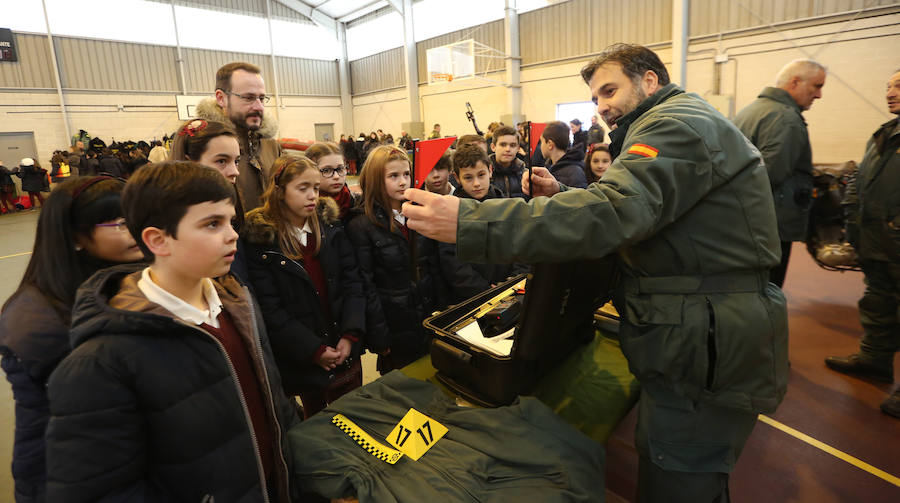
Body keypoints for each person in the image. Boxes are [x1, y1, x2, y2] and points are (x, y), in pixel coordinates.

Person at [402, 43, 788, 503]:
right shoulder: (676, 121)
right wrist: (562, 191)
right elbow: (653, 211)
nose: (602, 106)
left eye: (610, 90)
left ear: (650, 80)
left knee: (680, 477)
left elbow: (612, 213)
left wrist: (469, 221)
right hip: (699, 329)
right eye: (595, 98)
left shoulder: (674, 125)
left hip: (703, 336)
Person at [44, 162, 300, 502]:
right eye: (212, 224)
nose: (232, 234)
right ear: (158, 240)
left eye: (230, 221)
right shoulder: (101, 360)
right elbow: (99, 489)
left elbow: (275, 404)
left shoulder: (238, 303)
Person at [0, 176, 144, 502]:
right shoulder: (39, 320)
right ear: (76, 236)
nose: (137, 232)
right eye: (121, 223)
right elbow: (40, 432)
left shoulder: (129, 278)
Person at [243, 155, 366, 417]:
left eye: (315, 187)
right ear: (280, 190)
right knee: (317, 420)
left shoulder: (331, 228)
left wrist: (350, 334)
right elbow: (271, 309)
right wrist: (315, 350)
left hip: (344, 347)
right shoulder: (263, 242)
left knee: (356, 415)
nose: (312, 195)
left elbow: (353, 283)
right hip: (304, 357)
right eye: (302, 188)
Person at [825, 69, 900, 419]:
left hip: (893, 238)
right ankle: (874, 361)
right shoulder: (883, 135)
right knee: (878, 304)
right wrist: (852, 214)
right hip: (877, 242)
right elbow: (861, 180)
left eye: (898, 85)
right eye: (888, 85)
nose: (890, 92)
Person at [346, 145, 443, 374]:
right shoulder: (361, 225)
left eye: (406, 174)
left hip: (427, 316)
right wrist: (379, 337)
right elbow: (366, 286)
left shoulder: (418, 214)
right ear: (375, 180)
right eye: (393, 176)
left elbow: (432, 265)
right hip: (394, 325)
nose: (403, 182)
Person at [734, 59, 826, 287]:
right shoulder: (786, 118)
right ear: (795, 82)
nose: (819, 95)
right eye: (816, 86)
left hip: (745, 221)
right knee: (766, 292)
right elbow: (769, 174)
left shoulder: (751, 111)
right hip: (770, 223)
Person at [439, 144, 525, 303]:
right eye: (468, 177)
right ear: (457, 178)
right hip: (473, 299)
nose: (477, 183)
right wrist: (484, 291)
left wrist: (513, 282)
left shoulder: (505, 204)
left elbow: (521, 246)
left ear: (490, 171)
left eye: (481, 175)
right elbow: (454, 265)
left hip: (512, 290)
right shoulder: (451, 212)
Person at [196, 61, 282, 210]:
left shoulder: (271, 146)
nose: (259, 107)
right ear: (221, 98)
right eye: (248, 98)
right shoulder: (200, 146)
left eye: (261, 98)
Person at [305, 141, 359, 224]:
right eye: (326, 170)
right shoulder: (304, 211)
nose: (336, 176)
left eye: (340, 169)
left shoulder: (356, 204)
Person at [541, 121, 588, 188]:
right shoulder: (549, 166)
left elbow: (579, 197)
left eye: (541, 141)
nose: (541, 146)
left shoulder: (575, 173)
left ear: (550, 144)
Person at [489, 125, 528, 199]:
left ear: (518, 149)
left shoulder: (525, 174)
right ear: (493, 147)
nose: (508, 149)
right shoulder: (484, 174)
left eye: (512, 145)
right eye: (503, 145)